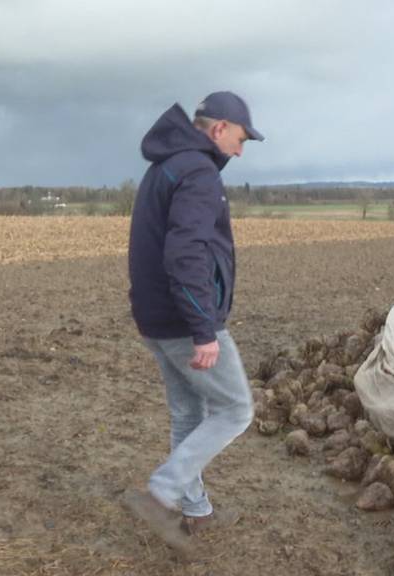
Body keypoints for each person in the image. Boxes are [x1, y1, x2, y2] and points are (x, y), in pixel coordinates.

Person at [124, 91, 263, 554]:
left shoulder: (165, 164)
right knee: (236, 409)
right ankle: (163, 493)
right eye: (241, 140)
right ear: (219, 128)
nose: (241, 152)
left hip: (155, 317)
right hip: (186, 320)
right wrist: (204, 330)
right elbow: (185, 254)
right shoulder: (199, 172)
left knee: (189, 412)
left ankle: (197, 510)